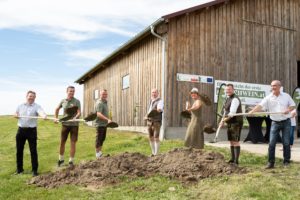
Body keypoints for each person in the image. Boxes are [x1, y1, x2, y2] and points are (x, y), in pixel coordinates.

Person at [249, 80, 295, 169]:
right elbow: (260, 106)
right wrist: (252, 111)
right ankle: (271, 163)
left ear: (279, 86)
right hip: (275, 122)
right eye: (271, 86)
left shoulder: (286, 96)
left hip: (286, 122)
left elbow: (293, 105)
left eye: (274, 86)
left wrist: (288, 110)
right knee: (272, 143)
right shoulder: (268, 97)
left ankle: (286, 162)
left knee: (286, 142)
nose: (272, 87)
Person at [14, 90, 47, 176]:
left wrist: (44, 116)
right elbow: (16, 112)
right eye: (30, 96)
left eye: (32, 96)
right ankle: (19, 170)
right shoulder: (20, 105)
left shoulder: (37, 106)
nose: (31, 98)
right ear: (27, 96)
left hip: (31, 131)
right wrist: (15, 114)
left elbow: (41, 112)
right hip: (21, 130)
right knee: (19, 150)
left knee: (33, 151)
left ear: (34, 98)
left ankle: (34, 171)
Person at [55, 86, 81, 167]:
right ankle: (61, 160)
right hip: (65, 125)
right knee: (62, 142)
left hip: (74, 125)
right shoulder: (63, 101)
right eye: (70, 91)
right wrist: (56, 118)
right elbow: (57, 109)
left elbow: (79, 112)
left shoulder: (77, 101)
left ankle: (71, 161)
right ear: (67, 91)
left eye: (73, 91)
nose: (72, 92)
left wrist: (75, 117)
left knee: (73, 143)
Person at [219, 84, 243, 165]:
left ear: (233, 90)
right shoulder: (228, 98)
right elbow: (225, 112)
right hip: (230, 122)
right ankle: (232, 159)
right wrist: (222, 120)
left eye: (229, 89)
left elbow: (232, 113)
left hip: (236, 122)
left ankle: (236, 161)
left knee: (235, 141)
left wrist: (223, 121)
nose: (227, 91)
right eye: (226, 90)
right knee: (231, 141)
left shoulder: (235, 99)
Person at [144, 88, 164, 156]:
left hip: (156, 122)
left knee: (156, 137)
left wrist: (157, 110)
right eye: (152, 92)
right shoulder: (151, 101)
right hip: (149, 121)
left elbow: (159, 110)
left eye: (155, 92)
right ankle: (153, 153)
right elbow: (149, 111)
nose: (154, 94)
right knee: (150, 137)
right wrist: (146, 116)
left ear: (157, 93)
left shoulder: (160, 101)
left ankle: (156, 153)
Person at [94, 89, 111, 159]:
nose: (105, 95)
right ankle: (97, 154)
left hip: (104, 124)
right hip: (99, 124)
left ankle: (100, 153)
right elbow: (98, 114)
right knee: (99, 139)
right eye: (103, 94)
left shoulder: (105, 102)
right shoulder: (99, 103)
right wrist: (107, 119)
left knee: (102, 139)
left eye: (106, 94)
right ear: (100, 95)